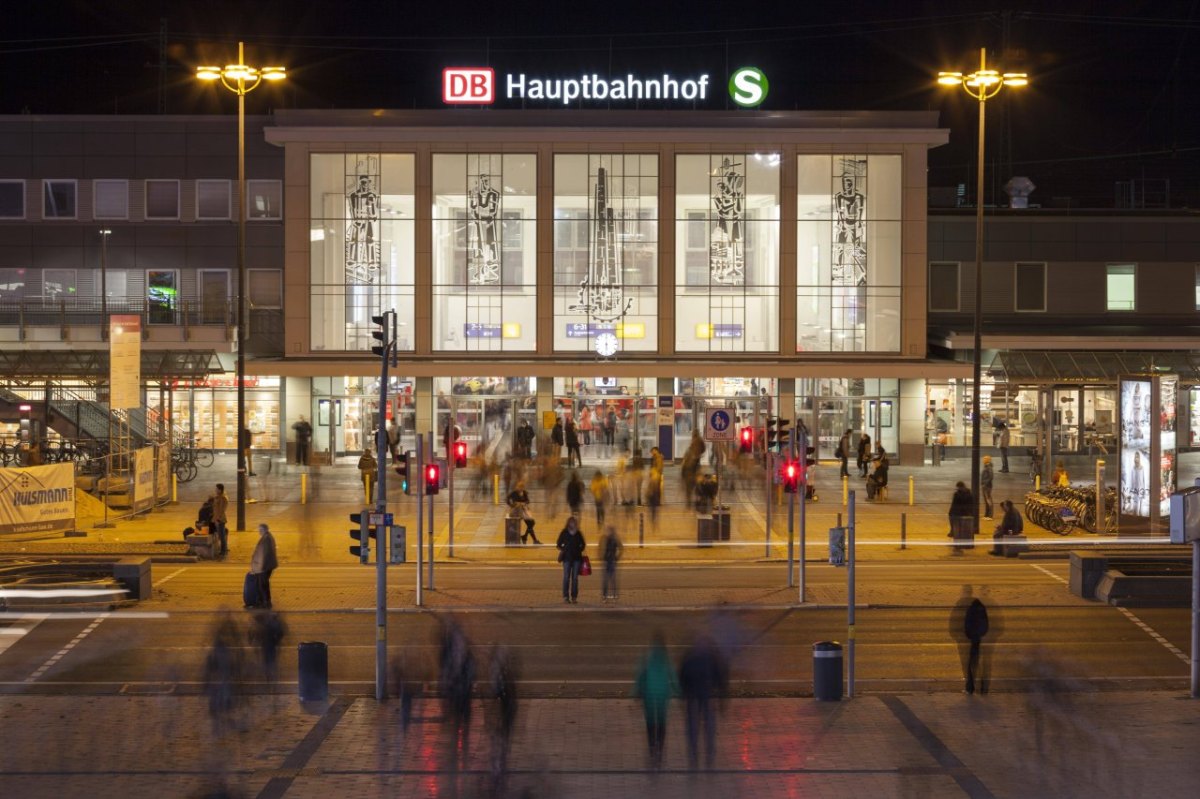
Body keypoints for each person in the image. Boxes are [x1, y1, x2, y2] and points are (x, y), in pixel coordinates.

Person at [679, 636, 728, 770]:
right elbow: (720, 678)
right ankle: (709, 754)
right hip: (707, 696)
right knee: (709, 727)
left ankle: (694, 755)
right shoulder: (712, 658)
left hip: (693, 697)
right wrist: (722, 699)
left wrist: (684, 694)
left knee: (693, 728)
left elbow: (683, 676)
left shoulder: (690, 657)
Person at [634, 631, 678, 770]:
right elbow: (673, 677)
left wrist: (636, 692)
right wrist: (679, 692)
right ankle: (660, 748)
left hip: (649, 695)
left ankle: (652, 747)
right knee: (662, 722)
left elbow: (640, 676)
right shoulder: (666, 659)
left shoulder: (646, 657)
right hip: (662, 696)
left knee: (651, 723)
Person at [486, 645, 519, 792]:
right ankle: (499, 771)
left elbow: (496, 694)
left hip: (503, 712)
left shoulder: (500, 676)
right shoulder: (505, 674)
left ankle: (498, 772)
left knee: (499, 744)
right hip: (505, 712)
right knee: (502, 744)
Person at [248, 608, 287, 683]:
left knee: (268, 660)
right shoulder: (272, 623)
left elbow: (256, 633)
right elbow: (280, 633)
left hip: (267, 645)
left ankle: (269, 676)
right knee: (270, 660)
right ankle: (270, 676)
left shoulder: (265, 623)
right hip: (270, 645)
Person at [556, 515, 586, 603]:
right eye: (571, 522)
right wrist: (564, 548)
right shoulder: (564, 532)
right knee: (566, 577)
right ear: (568, 523)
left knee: (575, 578)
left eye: (574, 522)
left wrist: (579, 549)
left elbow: (583, 544)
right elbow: (558, 544)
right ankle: (565, 596)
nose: (572, 524)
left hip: (576, 558)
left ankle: (574, 597)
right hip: (567, 559)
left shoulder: (578, 533)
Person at [249, 523, 279, 609]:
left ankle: (264, 603)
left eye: (261, 530)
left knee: (262, 585)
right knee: (264, 584)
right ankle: (266, 601)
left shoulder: (266, 540)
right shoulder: (268, 537)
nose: (259, 532)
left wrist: (257, 569)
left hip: (263, 567)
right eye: (259, 530)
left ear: (265, 530)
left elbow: (263, 556)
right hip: (267, 566)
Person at [948, 481, 975, 552]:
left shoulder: (957, 494)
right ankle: (956, 539)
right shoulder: (969, 493)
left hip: (957, 514)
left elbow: (954, 505)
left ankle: (955, 540)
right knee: (959, 528)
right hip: (965, 513)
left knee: (956, 528)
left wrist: (951, 512)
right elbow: (971, 504)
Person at [600, 524, 623, 601]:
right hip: (606, 561)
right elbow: (601, 547)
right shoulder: (605, 538)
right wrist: (602, 556)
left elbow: (621, 548)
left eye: (610, 530)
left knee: (612, 579)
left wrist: (616, 557)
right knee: (606, 579)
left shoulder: (615, 539)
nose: (609, 532)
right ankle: (605, 595)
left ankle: (613, 595)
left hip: (612, 561)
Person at [981, 455, 994, 519]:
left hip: (987, 486)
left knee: (988, 500)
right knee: (986, 501)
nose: (983, 460)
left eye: (984, 459)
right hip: (985, 486)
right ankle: (986, 515)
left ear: (987, 460)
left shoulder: (989, 467)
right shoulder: (986, 466)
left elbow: (991, 476)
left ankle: (990, 515)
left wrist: (985, 483)